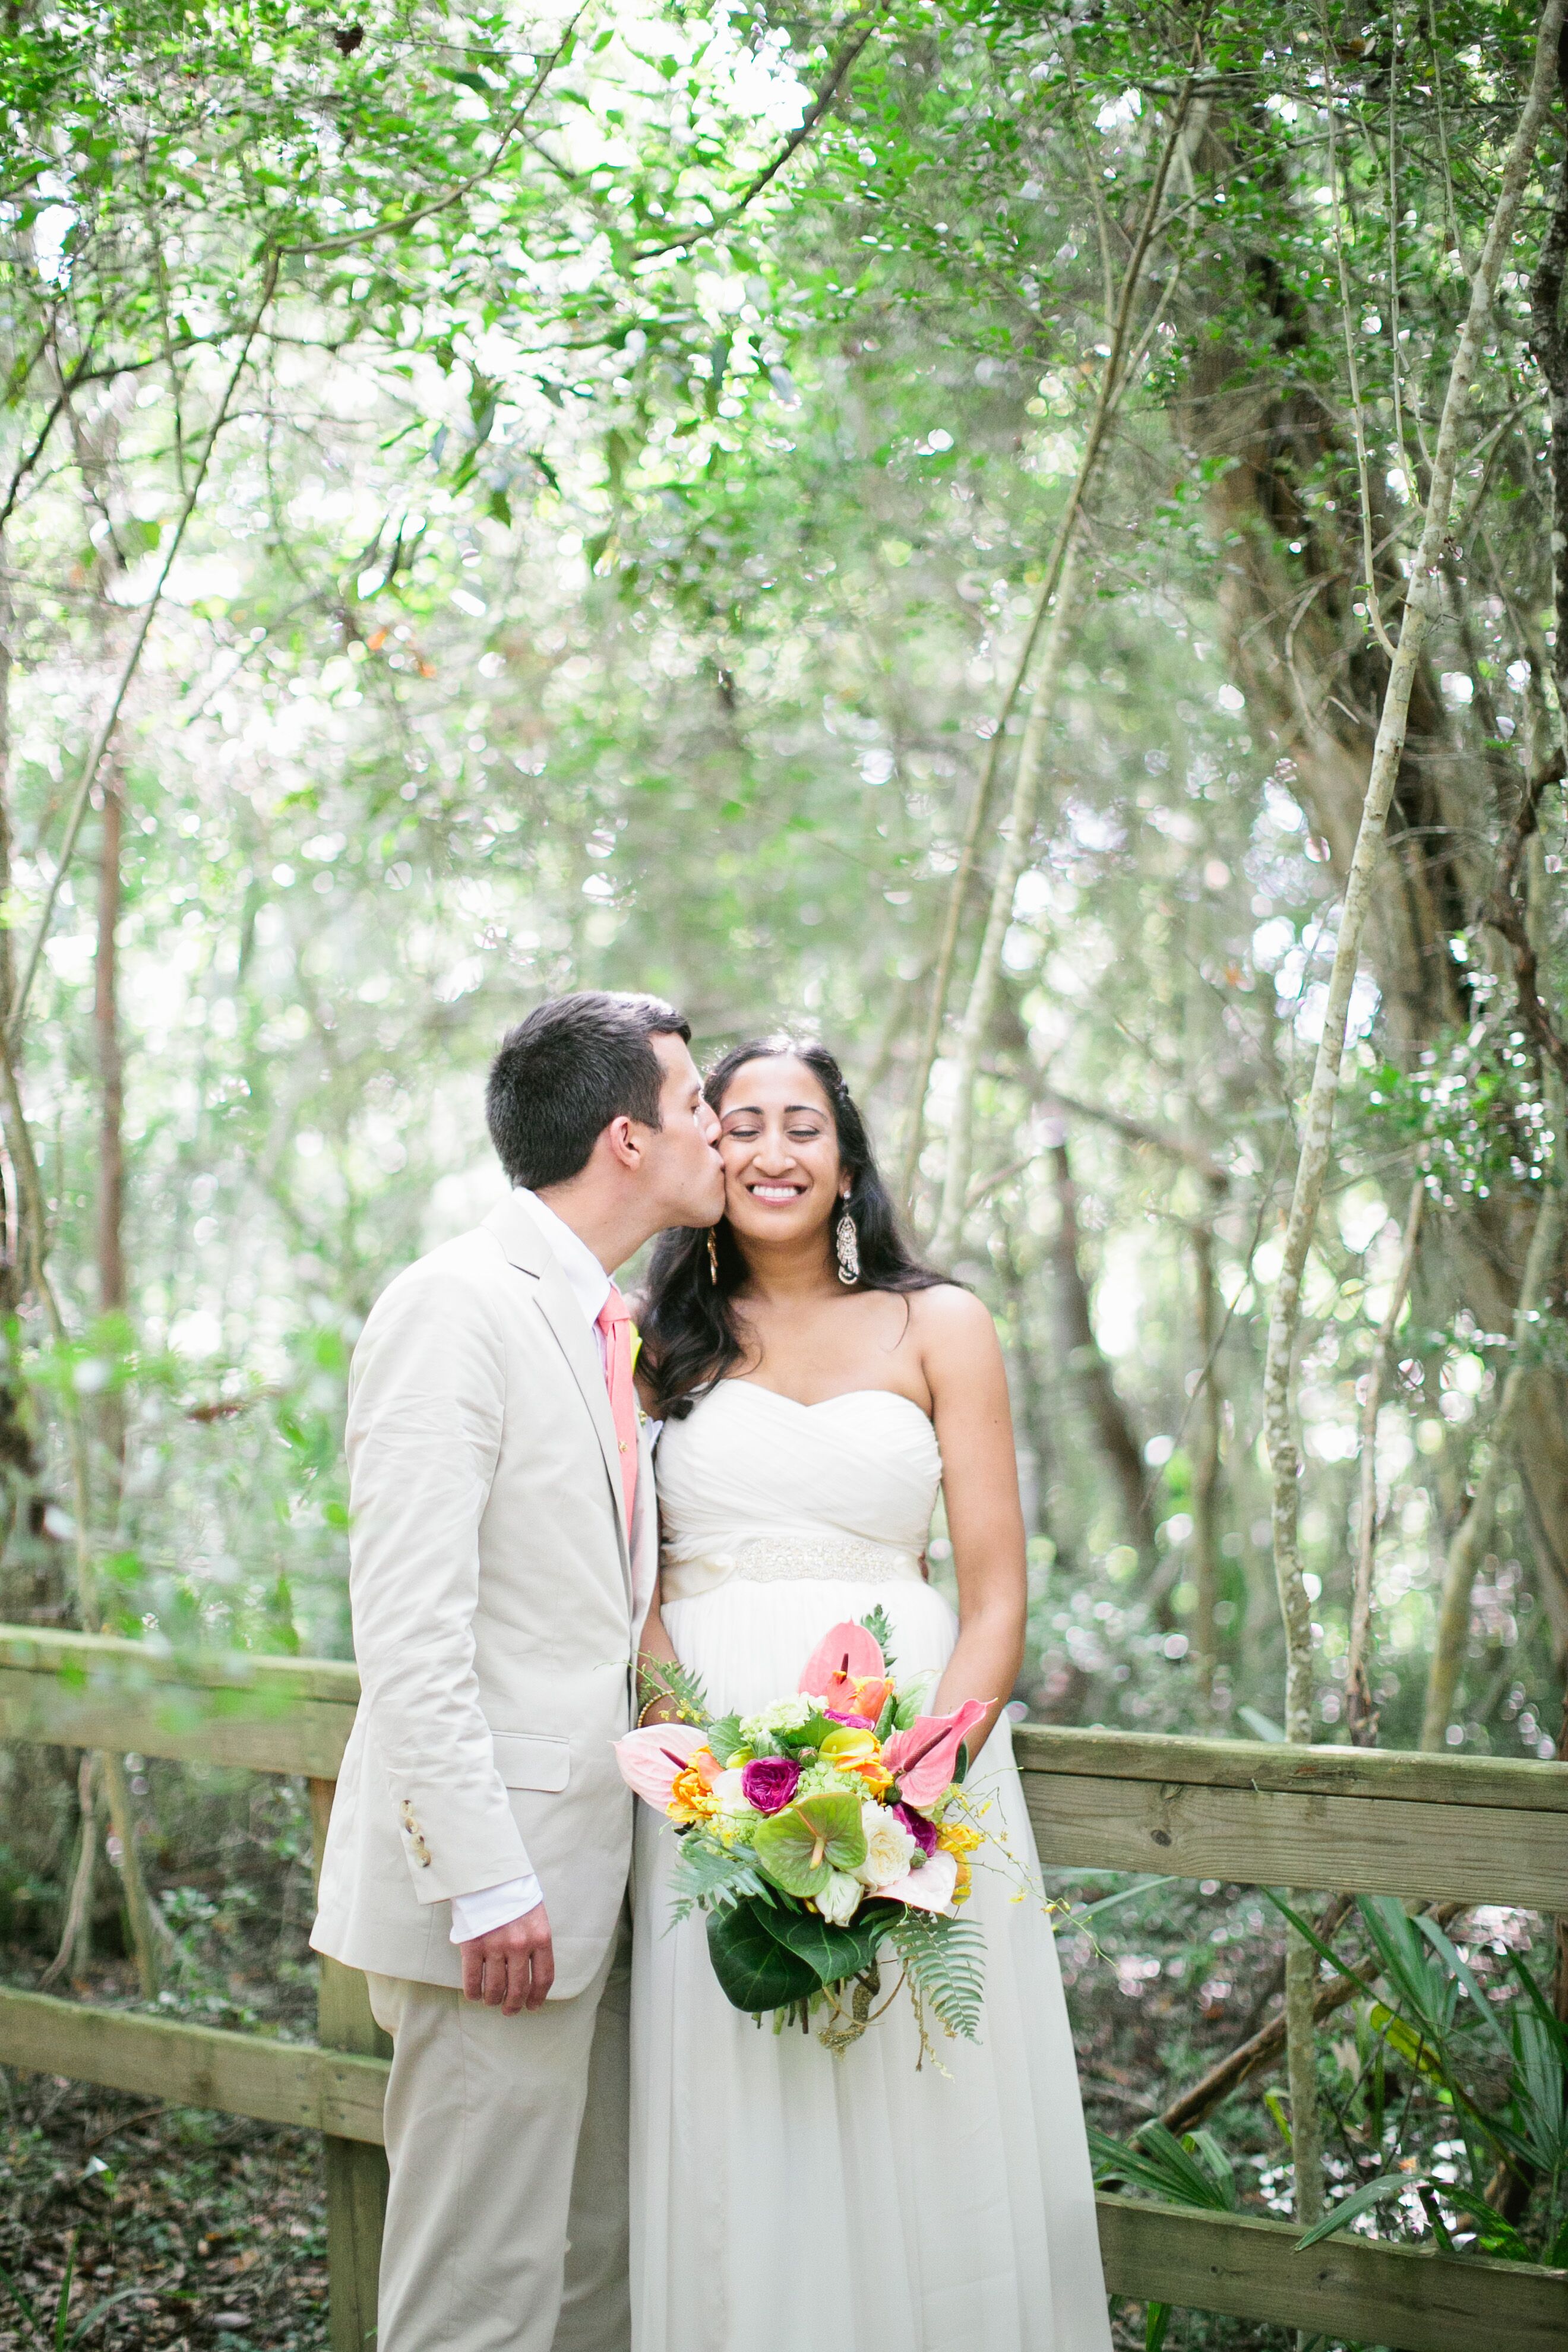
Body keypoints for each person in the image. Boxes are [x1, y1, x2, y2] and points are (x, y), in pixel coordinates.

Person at [631, 1038, 1112, 2352]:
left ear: (847, 1163)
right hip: (715, 1773)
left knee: (927, 2083)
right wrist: (705, 1777)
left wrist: (927, 1766)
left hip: (918, 1753)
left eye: (803, 1126)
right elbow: (642, 1587)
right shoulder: (646, 1341)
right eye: (739, 1123)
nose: (770, 1151)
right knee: (751, 2085)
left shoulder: (939, 1323)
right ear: (697, 1147)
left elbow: (998, 1589)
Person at [310, 991, 724, 2352]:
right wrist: (485, 1878)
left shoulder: (604, 1323)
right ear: (625, 1138)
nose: (721, 1132)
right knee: (474, 2302)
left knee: (591, 2277)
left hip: (599, 1883)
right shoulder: (453, 1309)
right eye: (698, 1105)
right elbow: (411, 1629)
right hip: (494, 1902)